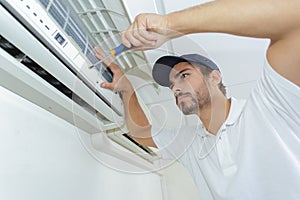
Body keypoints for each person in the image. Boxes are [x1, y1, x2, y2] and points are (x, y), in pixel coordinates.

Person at [95, 0, 300, 199]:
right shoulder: (191, 143)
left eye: (184, 75)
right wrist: (127, 89)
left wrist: (168, 25)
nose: (175, 87)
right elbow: (139, 132)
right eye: (171, 84)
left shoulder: (269, 107)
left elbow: (294, 17)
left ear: (214, 77)